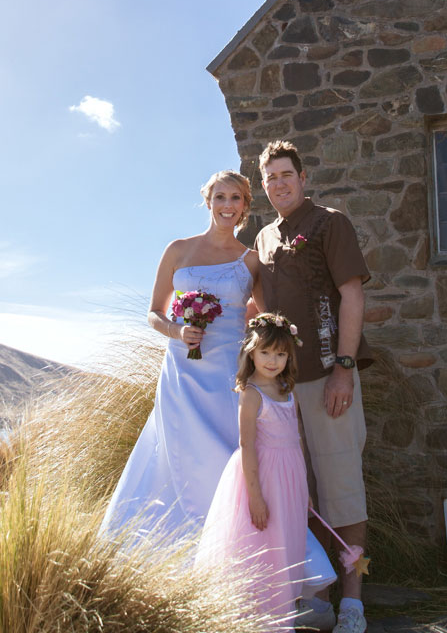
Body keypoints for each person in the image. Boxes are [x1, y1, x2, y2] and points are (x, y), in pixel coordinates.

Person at [100, 170, 337, 599]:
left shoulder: (249, 261)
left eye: (236, 199)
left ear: (245, 206)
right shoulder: (177, 250)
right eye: (220, 197)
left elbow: (265, 323)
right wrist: (177, 332)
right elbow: (154, 312)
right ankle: (167, 569)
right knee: (175, 456)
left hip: (229, 376)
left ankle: (239, 567)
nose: (227, 206)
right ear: (207, 201)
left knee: (229, 459)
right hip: (182, 375)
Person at [254, 140, 372, 633]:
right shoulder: (261, 238)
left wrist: (344, 368)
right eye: (270, 178)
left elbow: (352, 295)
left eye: (286, 174)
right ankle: (311, 595)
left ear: (303, 178)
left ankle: (352, 602)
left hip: (327, 376)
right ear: (264, 187)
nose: (279, 184)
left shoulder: (330, 223)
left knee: (341, 486)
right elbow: (256, 306)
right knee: (290, 491)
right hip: (278, 387)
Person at [196, 314, 310, 632]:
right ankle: (256, 620)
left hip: (289, 479)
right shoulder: (251, 394)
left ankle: (282, 617)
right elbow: (247, 446)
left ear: (289, 356)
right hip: (263, 479)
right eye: (265, 352)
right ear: (251, 352)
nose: (272, 361)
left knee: (287, 543)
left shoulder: (288, 391)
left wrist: (304, 490)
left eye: (281, 354)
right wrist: (256, 497)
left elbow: (295, 440)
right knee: (264, 547)